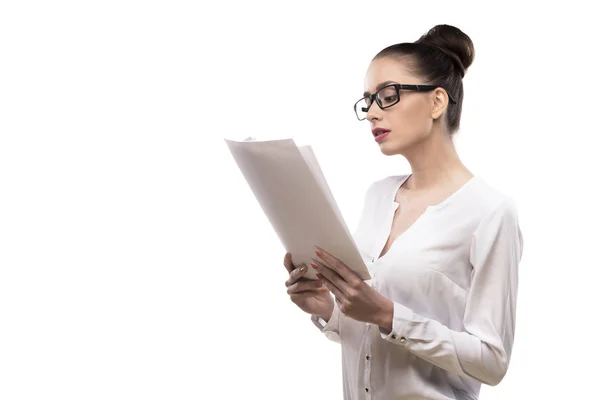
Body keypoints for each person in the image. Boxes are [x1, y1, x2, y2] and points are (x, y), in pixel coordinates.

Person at [283, 24, 524, 400]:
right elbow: (368, 335)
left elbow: (492, 361)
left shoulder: (491, 212)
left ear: (437, 102)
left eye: (388, 95)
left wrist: (389, 316)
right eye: (368, 100)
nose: (373, 113)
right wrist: (327, 310)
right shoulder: (378, 196)